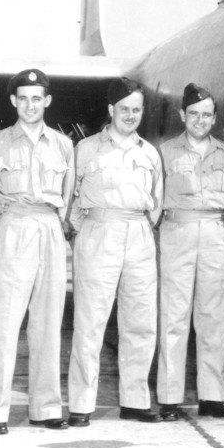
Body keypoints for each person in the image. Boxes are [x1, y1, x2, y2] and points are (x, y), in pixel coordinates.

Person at [67, 77, 163, 426]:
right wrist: (87, 231)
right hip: (99, 232)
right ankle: (80, 404)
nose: (130, 115)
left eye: (136, 109)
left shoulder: (150, 153)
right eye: (124, 109)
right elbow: (70, 200)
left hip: (138, 233)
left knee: (140, 321)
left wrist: (135, 227)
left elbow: (156, 204)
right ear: (111, 110)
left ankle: (135, 400)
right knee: (90, 322)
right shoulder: (86, 149)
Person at [0, 69, 75, 433]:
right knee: (4, 322)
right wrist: (2, 227)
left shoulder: (63, 144)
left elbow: (67, 194)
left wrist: (56, 222)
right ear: (13, 101)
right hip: (14, 225)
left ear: (47, 101)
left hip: (50, 225)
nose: (30, 105)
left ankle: (46, 408)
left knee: (48, 321)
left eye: (36, 98)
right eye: (23, 98)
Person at [157, 84, 224, 420]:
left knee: (215, 318)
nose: (200, 120)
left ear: (214, 118)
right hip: (176, 232)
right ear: (182, 116)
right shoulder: (164, 152)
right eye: (194, 114)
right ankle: (169, 397)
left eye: (206, 115)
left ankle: (213, 397)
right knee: (173, 318)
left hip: (216, 236)